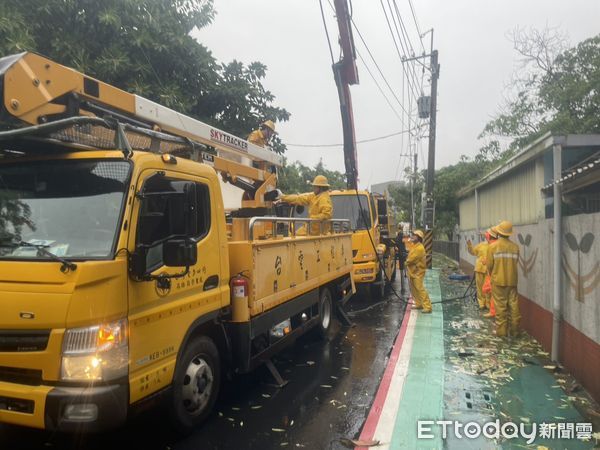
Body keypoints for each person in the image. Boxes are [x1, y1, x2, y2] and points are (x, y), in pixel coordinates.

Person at [486, 220, 520, 337]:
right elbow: (516, 262)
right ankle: (515, 332)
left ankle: (502, 335)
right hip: (512, 282)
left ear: (498, 232)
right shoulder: (515, 247)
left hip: (498, 282)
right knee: (514, 308)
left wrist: (493, 275)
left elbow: (489, 266)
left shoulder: (492, 247)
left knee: (501, 311)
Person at [406, 229, 432, 313]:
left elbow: (412, 259)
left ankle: (427, 307)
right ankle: (419, 304)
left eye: (415, 235)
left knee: (420, 289)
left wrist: (406, 262)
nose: (412, 236)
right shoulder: (415, 246)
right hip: (413, 272)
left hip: (418, 272)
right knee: (414, 289)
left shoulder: (419, 248)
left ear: (419, 238)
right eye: (413, 235)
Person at [467, 229, 493, 310]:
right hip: (479, 269)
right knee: (480, 287)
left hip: (488, 270)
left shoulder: (494, 246)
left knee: (488, 288)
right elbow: (473, 252)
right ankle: (481, 304)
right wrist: (469, 245)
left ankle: (488, 304)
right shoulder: (481, 245)